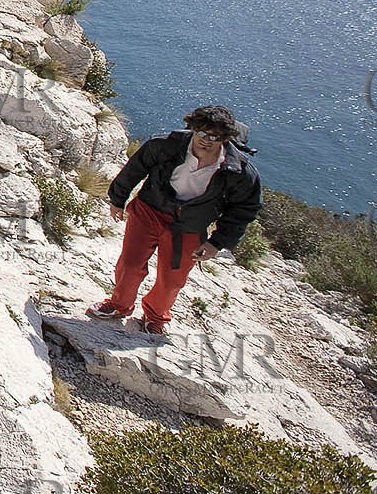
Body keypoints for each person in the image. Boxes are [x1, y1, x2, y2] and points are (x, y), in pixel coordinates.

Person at [86, 104, 262, 334]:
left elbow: (243, 209)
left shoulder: (238, 170)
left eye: (214, 136)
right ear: (192, 128)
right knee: (130, 264)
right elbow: (135, 168)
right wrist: (117, 199)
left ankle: (156, 316)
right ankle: (119, 304)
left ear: (226, 138)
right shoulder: (166, 146)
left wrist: (217, 243)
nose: (205, 140)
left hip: (189, 226)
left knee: (172, 279)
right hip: (149, 210)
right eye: (200, 132)